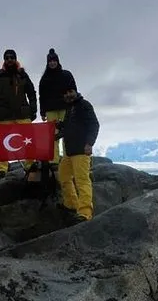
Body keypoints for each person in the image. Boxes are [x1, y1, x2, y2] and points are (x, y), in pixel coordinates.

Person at [0, 49, 38, 179]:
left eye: (11, 57)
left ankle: (30, 165)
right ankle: (1, 169)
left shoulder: (23, 76)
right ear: (4, 60)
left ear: (15, 59)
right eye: (7, 58)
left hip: (23, 114)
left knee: (29, 141)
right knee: (1, 143)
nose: (9, 60)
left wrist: (33, 110)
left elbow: (32, 94)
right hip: (4, 115)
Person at [56, 85, 99, 223]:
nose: (69, 95)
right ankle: (71, 204)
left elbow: (94, 124)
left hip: (81, 150)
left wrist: (89, 143)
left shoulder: (84, 105)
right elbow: (69, 128)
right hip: (69, 152)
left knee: (82, 181)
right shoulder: (69, 108)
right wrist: (59, 129)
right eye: (66, 93)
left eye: (70, 92)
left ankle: (85, 212)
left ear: (75, 91)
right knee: (63, 177)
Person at [38, 48, 77, 167]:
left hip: (66, 108)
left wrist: (74, 105)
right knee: (52, 135)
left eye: (54, 60)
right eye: (50, 61)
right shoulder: (44, 79)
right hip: (51, 110)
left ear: (58, 61)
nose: (52, 63)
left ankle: (68, 158)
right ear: (47, 63)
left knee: (67, 133)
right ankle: (53, 160)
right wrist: (42, 112)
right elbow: (42, 96)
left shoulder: (66, 74)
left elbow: (74, 90)